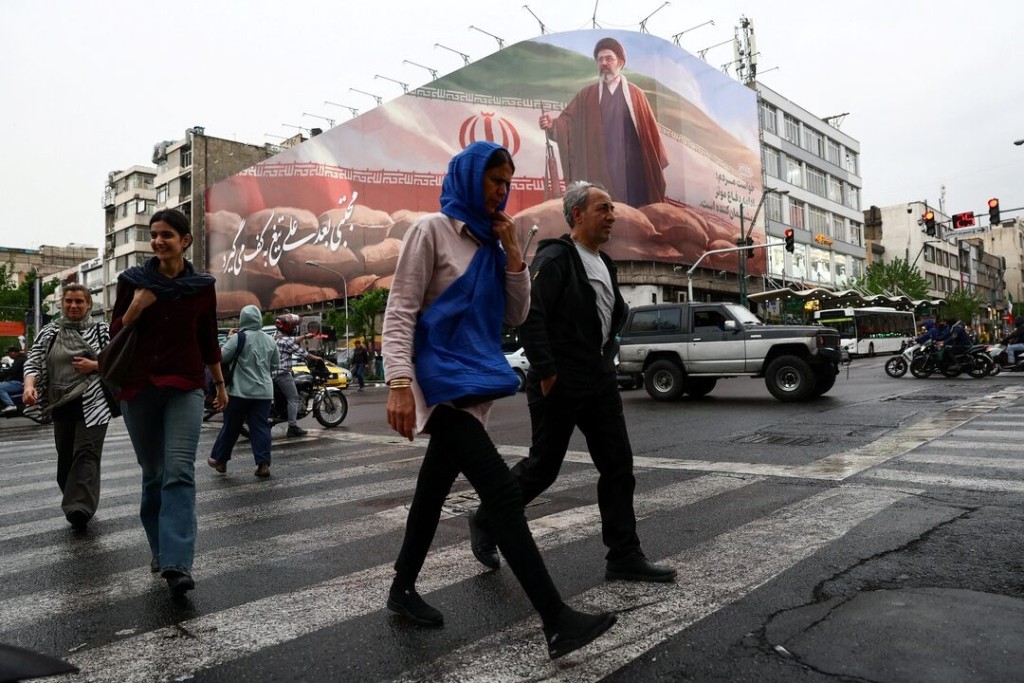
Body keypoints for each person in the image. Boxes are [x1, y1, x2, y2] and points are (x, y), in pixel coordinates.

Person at [382, 141, 615, 660]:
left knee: (431, 491)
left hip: (475, 385)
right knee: (504, 497)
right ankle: (557, 621)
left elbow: (514, 316)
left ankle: (401, 589)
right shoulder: (431, 231)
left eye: (508, 182)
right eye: (494, 181)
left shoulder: (492, 243)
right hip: (441, 387)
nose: (502, 191)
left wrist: (512, 256)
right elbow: (399, 311)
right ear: (469, 179)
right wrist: (398, 382)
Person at [469, 181, 677, 584]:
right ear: (577, 214)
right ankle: (486, 518)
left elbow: (606, 318)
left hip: (597, 379)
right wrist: (547, 372)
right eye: (604, 208)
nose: (613, 215)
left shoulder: (605, 263)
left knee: (618, 466)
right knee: (542, 469)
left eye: (613, 208)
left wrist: (606, 359)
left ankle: (624, 555)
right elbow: (531, 313)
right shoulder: (557, 257)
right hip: (559, 381)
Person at [109, 208, 227, 597]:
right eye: (154, 235)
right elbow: (116, 332)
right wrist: (137, 307)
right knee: (154, 473)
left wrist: (221, 385)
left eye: (167, 236)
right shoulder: (132, 281)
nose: (158, 241)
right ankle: (159, 548)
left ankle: (178, 563)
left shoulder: (202, 286)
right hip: (138, 387)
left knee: (179, 471)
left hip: (185, 386)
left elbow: (208, 337)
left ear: (185, 241)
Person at [22, 284, 113, 529]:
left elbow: (118, 359)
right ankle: (75, 499)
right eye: (69, 301)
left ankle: (79, 509)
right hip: (60, 404)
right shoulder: (50, 331)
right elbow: (34, 360)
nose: (73, 306)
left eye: (79, 302)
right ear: (62, 303)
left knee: (86, 454)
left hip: (94, 405)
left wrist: (94, 366)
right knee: (65, 461)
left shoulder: (102, 330)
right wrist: (29, 386)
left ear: (88, 305)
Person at [539, 37, 668, 208]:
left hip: (632, 170)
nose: (604, 63)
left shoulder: (636, 95)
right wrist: (552, 125)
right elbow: (567, 123)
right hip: (599, 164)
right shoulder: (587, 95)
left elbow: (650, 135)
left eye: (609, 58)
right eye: (600, 60)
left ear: (620, 62)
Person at [207, 304, 280, 478]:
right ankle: (263, 465)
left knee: (231, 426)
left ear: (242, 319)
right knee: (261, 426)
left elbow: (221, 357)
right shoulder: (270, 340)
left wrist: (228, 339)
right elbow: (275, 364)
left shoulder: (238, 338)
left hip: (239, 392)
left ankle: (220, 460)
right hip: (263, 392)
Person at [272, 313, 322, 437]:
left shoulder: (276, 336)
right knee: (293, 398)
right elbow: (303, 353)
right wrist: (317, 358)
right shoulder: (286, 341)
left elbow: (293, 340)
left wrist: (305, 336)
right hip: (282, 374)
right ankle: (292, 426)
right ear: (288, 327)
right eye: (292, 326)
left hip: (273, 373)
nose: (294, 328)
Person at [0, 346, 26, 415]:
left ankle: (10, 405)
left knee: (0, 387)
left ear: (14, 352)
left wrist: (1, 375)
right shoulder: (20, 359)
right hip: (19, 381)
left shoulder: (20, 360)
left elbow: (12, 370)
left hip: (19, 383)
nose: (8, 355)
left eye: (9, 353)